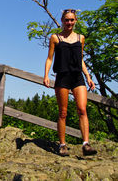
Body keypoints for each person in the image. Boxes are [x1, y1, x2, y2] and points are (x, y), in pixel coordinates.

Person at [43, 9, 97, 157]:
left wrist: (88, 76)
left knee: (82, 109)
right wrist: (46, 75)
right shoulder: (55, 38)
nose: (69, 23)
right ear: (62, 20)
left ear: (76, 21)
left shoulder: (81, 38)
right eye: (66, 20)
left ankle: (86, 144)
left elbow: (80, 59)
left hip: (77, 77)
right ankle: (62, 145)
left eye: (72, 20)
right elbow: (49, 58)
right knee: (63, 112)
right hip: (62, 77)